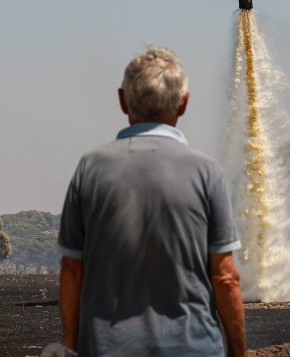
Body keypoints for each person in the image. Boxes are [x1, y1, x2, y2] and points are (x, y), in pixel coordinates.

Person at [56, 47, 247, 357]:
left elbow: (72, 269)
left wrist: (73, 345)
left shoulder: (90, 168)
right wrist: (239, 353)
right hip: (193, 347)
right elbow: (225, 276)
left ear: (122, 100)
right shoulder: (207, 171)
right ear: (184, 102)